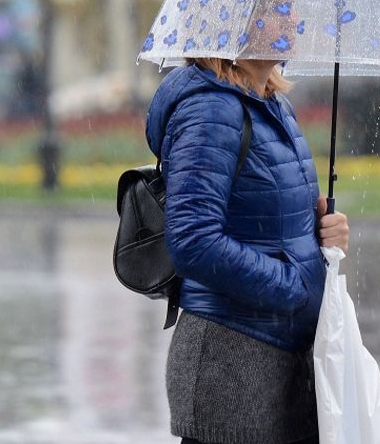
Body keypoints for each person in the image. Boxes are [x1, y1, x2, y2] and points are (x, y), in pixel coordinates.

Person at [145, 50, 349, 443]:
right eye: (275, 5)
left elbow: (275, 223)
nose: (290, 15)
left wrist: (326, 233)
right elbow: (194, 240)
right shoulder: (210, 110)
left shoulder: (274, 105)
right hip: (232, 362)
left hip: (284, 357)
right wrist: (294, 286)